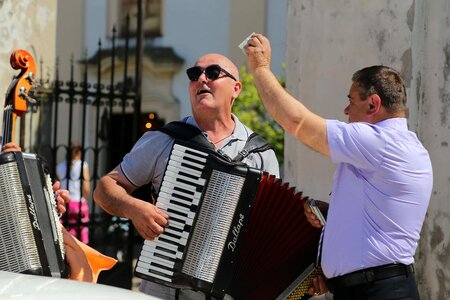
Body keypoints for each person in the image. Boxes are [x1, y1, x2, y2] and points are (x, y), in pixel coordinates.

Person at [244, 34, 433, 300]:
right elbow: (379, 221)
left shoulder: (380, 142)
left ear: (373, 104)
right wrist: (333, 215)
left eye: (351, 100)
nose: (346, 110)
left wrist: (260, 68)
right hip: (372, 288)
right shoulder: (399, 145)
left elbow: (296, 122)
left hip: (379, 291)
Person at [93, 53, 280, 299]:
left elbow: (269, 227)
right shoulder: (163, 140)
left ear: (236, 88)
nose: (201, 79)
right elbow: (105, 188)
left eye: (212, 73)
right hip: (166, 292)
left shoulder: (260, 154)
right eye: (194, 75)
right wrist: (133, 208)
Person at [56, 142, 91, 244]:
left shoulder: (59, 166)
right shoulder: (83, 165)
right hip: (79, 203)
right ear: (79, 152)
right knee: (82, 237)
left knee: (68, 237)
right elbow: (86, 188)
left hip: (66, 204)